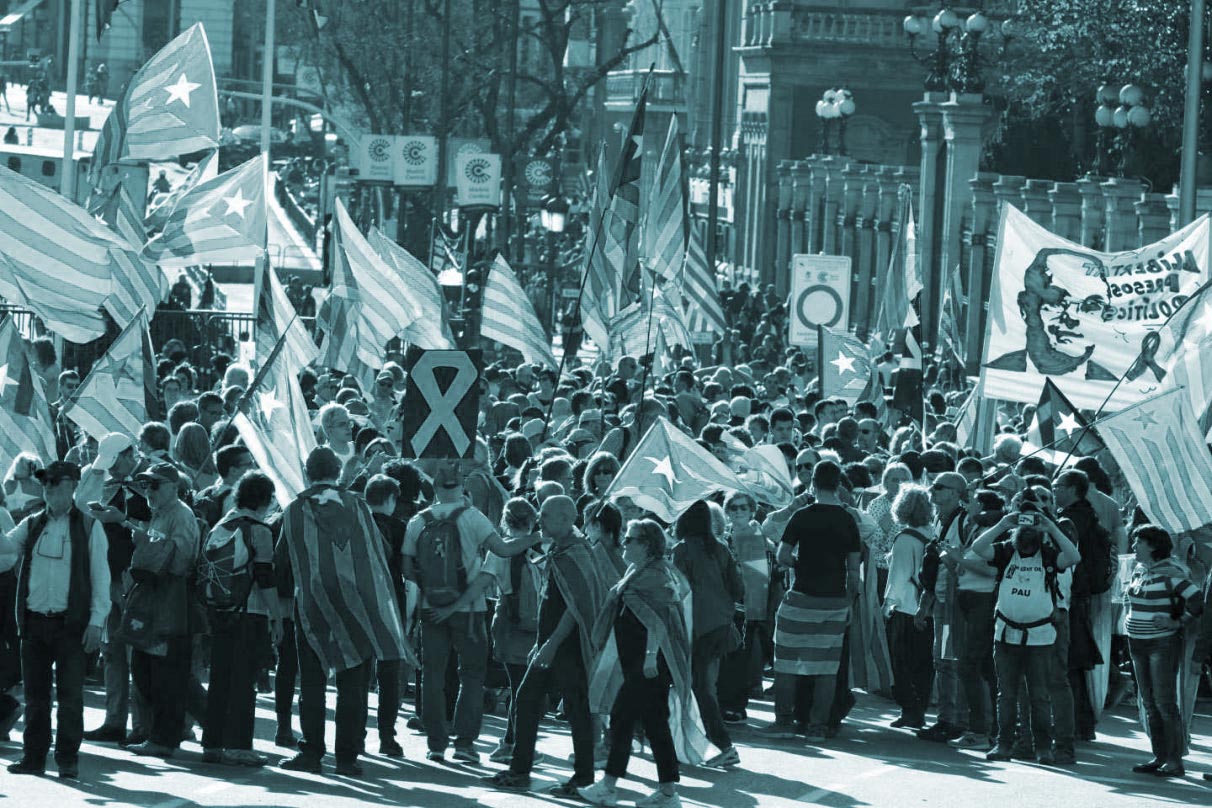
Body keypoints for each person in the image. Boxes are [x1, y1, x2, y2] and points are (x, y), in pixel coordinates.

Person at [278, 447, 414, 776]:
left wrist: (284, 601)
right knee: (352, 681)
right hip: (358, 604)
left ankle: (311, 752)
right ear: (337, 472)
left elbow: (284, 558)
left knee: (311, 681)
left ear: (308, 473)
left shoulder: (295, 509)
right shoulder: (358, 506)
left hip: (312, 603)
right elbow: (379, 551)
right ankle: (347, 757)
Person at [403, 461, 534, 763]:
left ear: (434, 488)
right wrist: (536, 539)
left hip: (430, 607)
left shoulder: (417, 522)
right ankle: (464, 743)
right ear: (461, 486)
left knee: (432, 676)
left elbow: (408, 569)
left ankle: (436, 743)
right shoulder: (473, 517)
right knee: (472, 676)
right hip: (471, 609)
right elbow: (502, 550)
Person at [487, 495, 605, 797]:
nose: (540, 519)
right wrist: (541, 641)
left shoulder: (577, 552)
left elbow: (575, 607)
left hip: (567, 646)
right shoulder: (562, 549)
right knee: (527, 700)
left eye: (547, 515)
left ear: (566, 519)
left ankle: (582, 777)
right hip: (548, 643)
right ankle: (520, 769)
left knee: (576, 709)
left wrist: (550, 644)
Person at [0, 462, 109, 779]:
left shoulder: (90, 527)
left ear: (72, 485)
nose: (47, 486)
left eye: (53, 481)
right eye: (44, 482)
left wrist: (97, 622)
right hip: (34, 623)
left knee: (71, 697)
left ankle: (66, 759)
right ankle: (33, 757)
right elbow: (5, 548)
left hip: (71, 625)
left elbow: (100, 578)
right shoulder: (32, 523)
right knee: (36, 697)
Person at [580, 519, 699, 808]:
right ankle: (668, 794)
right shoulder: (638, 570)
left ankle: (608, 786)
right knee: (655, 723)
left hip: (651, 665)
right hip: (641, 662)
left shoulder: (656, 576)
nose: (624, 542)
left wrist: (648, 658)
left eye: (631, 539)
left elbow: (660, 623)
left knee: (622, 717)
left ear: (646, 545)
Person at [969, 494, 1081, 764]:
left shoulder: (1049, 555)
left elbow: (1074, 556)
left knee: (1039, 696)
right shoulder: (1007, 549)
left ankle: (1043, 747)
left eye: (1032, 525)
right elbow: (978, 549)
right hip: (1006, 633)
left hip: (1040, 637)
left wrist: (1051, 528)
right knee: (1006, 694)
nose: (1027, 529)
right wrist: (1003, 525)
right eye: (1024, 523)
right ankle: (1004, 744)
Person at [762, 460, 861, 742]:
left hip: (800, 598)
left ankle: (784, 721)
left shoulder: (802, 516)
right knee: (826, 667)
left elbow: (782, 556)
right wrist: (850, 602)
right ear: (839, 485)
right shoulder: (848, 520)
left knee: (786, 662)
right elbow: (853, 569)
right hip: (834, 600)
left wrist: (800, 564)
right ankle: (818, 726)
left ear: (813, 484)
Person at [200, 471, 281, 767]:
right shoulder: (259, 530)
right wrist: (277, 617)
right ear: (263, 499)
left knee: (220, 677)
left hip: (220, 610)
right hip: (249, 612)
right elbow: (265, 576)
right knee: (244, 680)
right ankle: (238, 746)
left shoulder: (223, 524)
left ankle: (212, 743)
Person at [123, 462, 202, 759]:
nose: (149, 491)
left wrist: (148, 544)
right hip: (153, 599)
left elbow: (181, 562)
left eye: (155, 485)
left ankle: (165, 737)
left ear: (173, 486)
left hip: (173, 600)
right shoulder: (160, 513)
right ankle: (171, 730)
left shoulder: (181, 514)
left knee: (165, 674)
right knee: (146, 670)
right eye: (146, 485)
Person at [1124, 525, 1204, 778]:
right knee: (1149, 702)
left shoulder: (1171, 571)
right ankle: (1159, 755)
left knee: (1164, 702)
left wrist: (1177, 622)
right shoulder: (1140, 570)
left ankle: (1174, 759)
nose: (1134, 546)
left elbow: (1196, 600)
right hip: (1137, 641)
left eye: (1139, 542)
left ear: (1153, 546)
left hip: (1161, 643)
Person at [672, 500, 744, 768]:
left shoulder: (682, 550)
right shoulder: (720, 548)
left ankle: (724, 746)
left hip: (696, 627)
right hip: (721, 625)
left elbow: (678, 591)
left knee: (700, 689)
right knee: (705, 688)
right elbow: (738, 589)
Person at [883, 484, 935, 730]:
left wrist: (887, 604)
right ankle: (919, 708)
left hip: (906, 607)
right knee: (923, 664)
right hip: (928, 606)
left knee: (900, 663)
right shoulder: (932, 533)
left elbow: (898, 576)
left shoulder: (905, 538)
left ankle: (910, 709)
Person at [365, 474, 408, 757]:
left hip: (361, 600)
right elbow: (408, 569)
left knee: (359, 670)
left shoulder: (358, 523)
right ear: (391, 499)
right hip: (391, 602)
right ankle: (387, 736)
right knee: (389, 673)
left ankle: (356, 733)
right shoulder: (399, 527)